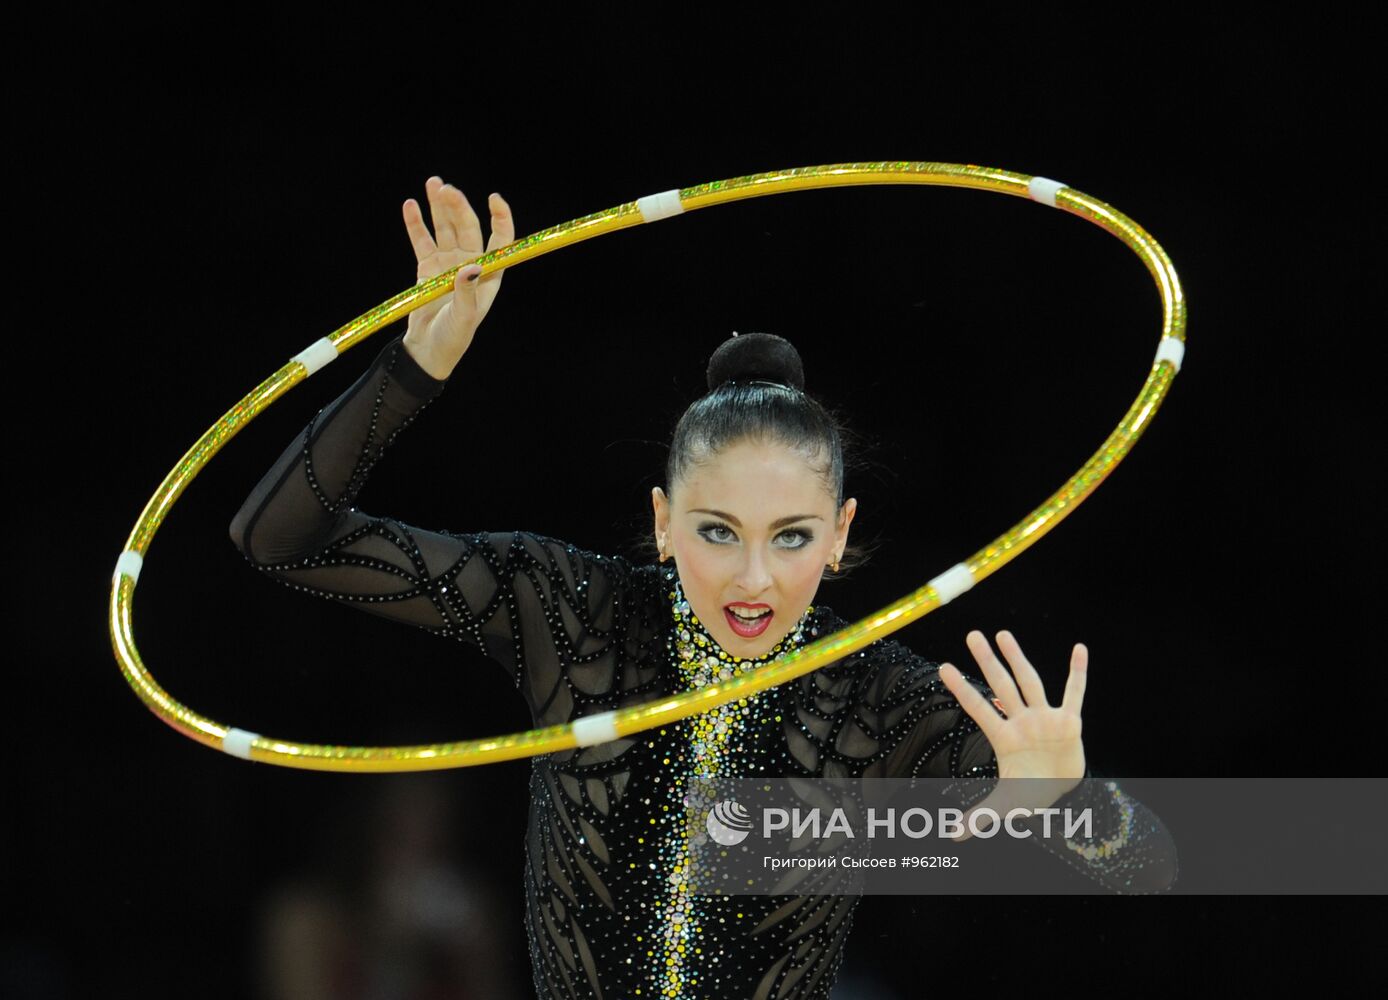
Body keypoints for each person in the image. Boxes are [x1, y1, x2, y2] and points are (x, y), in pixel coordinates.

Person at [229, 176, 1178, 999]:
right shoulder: (569, 614)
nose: (754, 579)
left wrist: (1059, 798)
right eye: (717, 532)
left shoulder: (876, 700)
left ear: (840, 536)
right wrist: (415, 366)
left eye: (792, 537)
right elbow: (279, 537)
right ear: (661, 522)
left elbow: (1152, 863)